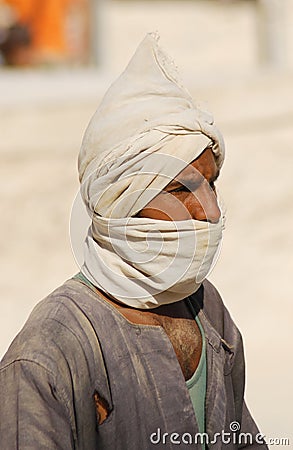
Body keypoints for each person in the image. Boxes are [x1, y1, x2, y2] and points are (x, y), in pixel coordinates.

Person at [0, 33, 267, 449]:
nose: (210, 211)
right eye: (184, 190)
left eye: (211, 186)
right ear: (123, 199)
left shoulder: (206, 309)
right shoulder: (51, 349)